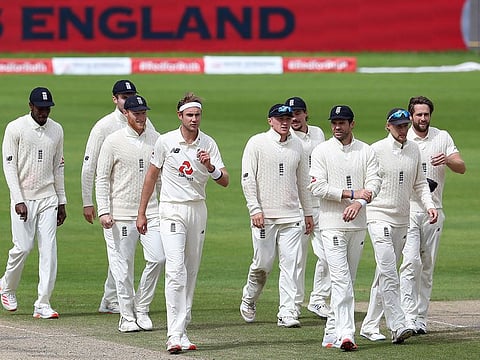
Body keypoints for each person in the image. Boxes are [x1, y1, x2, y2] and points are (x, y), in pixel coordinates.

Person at [137, 92, 229, 354]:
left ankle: (183, 329)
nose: (194, 119)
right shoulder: (165, 141)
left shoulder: (208, 143)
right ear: (180, 116)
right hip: (171, 209)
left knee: (190, 270)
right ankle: (174, 335)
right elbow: (151, 178)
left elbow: (225, 180)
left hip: (197, 209)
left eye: (197, 115)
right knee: (175, 268)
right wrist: (142, 212)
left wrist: (210, 167)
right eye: (189, 115)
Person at [360, 108, 438, 344]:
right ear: (388, 126)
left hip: (402, 219)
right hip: (377, 216)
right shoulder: (376, 150)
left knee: (383, 273)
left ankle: (370, 325)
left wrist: (429, 205)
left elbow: (420, 183)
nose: (402, 130)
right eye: (398, 126)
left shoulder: (413, 149)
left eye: (405, 125)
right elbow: (367, 182)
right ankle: (398, 325)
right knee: (389, 270)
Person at [307, 105, 381, 351]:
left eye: (342, 122)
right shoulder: (322, 151)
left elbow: (374, 183)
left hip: (358, 225)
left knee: (347, 279)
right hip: (331, 226)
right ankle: (346, 334)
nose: (337, 127)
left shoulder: (366, 151)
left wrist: (359, 203)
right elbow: (317, 188)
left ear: (352, 124)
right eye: (334, 123)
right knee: (341, 281)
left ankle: (330, 333)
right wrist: (349, 194)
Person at [81, 80, 155, 314]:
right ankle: (119, 302)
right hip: (116, 200)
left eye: (131, 95)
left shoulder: (144, 120)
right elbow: (90, 167)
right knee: (122, 256)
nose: (127, 99)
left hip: (142, 202)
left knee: (126, 256)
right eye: (123, 96)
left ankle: (112, 299)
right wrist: (88, 202)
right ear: (115, 99)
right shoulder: (104, 127)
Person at [239, 103, 314, 329]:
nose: (284, 122)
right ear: (270, 120)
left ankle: (287, 311)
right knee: (263, 264)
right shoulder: (257, 143)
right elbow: (247, 178)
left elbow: (303, 181)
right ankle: (249, 297)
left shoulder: (297, 145)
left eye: (288, 118)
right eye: (279, 118)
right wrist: (255, 209)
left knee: (291, 264)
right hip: (265, 216)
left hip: (291, 216)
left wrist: (308, 212)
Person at [95, 95, 164, 333]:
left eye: (144, 113)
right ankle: (126, 317)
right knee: (122, 268)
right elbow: (102, 177)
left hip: (152, 211)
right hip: (120, 214)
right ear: (127, 114)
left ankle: (141, 308)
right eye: (137, 114)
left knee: (158, 258)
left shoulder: (156, 139)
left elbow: (162, 178)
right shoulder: (113, 141)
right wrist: (103, 210)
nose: (141, 118)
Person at [399, 96, 466, 334]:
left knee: (427, 266)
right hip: (408, 211)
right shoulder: (403, 137)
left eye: (426, 114)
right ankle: (407, 318)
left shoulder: (442, 137)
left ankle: (420, 318)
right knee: (410, 263)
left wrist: (447, 160)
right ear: (410, 116)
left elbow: (461, 166)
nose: (423, 119)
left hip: (434, 212)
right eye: (418, 114)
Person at [0, 87, 67, 319]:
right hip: (24, 198)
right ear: (30, 106)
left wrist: (62, 201)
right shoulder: (15, 128)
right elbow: (9, 167)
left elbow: (58, 166)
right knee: (23, 247)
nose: (44, 112)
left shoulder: (56, 129)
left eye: (47, 108)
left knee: (49, 250)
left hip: (48, 197)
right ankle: (6, 286)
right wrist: (18, 199)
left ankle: (43, 303)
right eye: (40, 108)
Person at [284, 96, 330, 319]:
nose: (294, 117)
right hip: (297, 207)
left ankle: (319, 299)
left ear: (305, 114)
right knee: (296, 259)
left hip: (321, 202)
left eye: (298, 113)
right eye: (291, 114)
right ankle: (293, 305)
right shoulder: (285, 138)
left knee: (328, 255)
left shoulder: (319, 133)